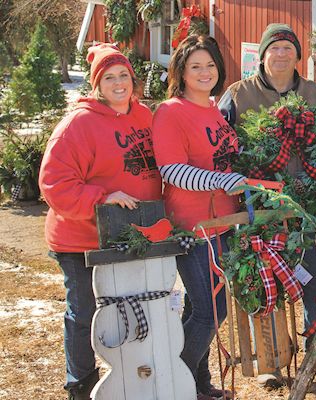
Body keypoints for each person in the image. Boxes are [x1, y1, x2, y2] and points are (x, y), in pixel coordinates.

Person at [218, 23, 316, 386]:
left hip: (308, 208)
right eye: (274, 48)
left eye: (288, 48)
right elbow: (222, 147)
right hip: (261, 208)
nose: (281, 54)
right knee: (264, 280)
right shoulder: (239, 95)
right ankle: (270, 358)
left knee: (314, 279)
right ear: (262, 54)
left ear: (298, 55)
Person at [39, 43, 162, 400]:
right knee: (85, 312)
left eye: (124, 75)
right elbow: (54, 183)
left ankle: (129, 374)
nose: (119, 83)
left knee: (129, 306)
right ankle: (79, 381)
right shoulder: (78, 124)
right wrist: (101, 197)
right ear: (97, 85)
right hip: (82, 239)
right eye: (109, 77)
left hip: (128, 234)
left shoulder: (144, 116)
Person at [152, 35, 245, 400]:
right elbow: (172, 170)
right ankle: (171, 381)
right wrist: (222, 180)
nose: (205, 72)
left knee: (198, 308)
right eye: (195, 67)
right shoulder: (170, 112)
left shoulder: (215, 111)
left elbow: (224, 158)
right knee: (210, 312)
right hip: (193, 227)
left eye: (210, 65)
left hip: (223, 223)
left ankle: (197, 387)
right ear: (181, 71)